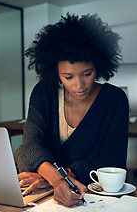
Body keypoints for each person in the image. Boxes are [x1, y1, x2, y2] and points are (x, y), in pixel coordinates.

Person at [14, 13, 129, 207]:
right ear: (55, 72)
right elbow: (30, 147)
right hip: (43, 197)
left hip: (90, 197)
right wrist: (57, 180)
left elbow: (112, 162)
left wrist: (56, 177)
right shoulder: (44, 92)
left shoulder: (114, 100)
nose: (79, 85)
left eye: (87, 74)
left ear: (99, 66)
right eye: (68, 77)